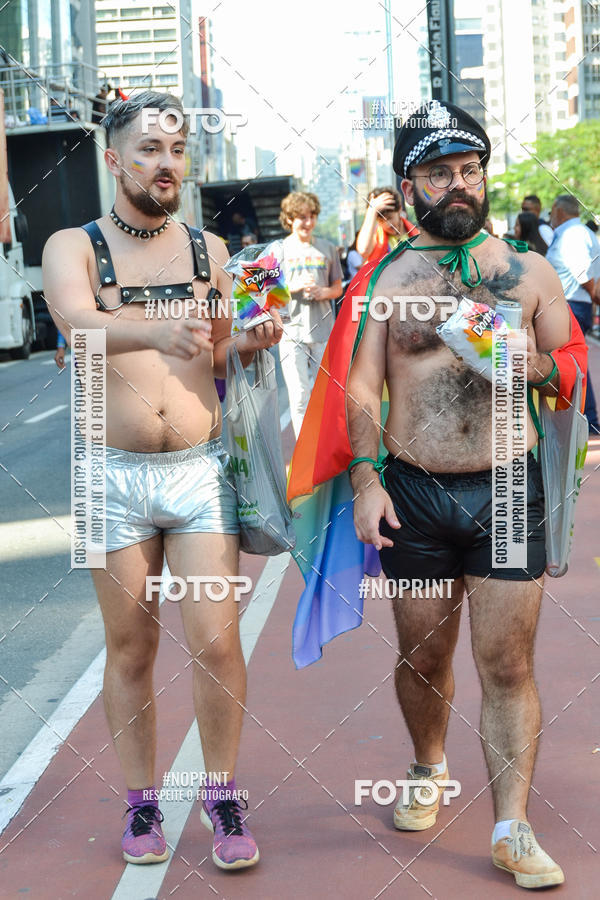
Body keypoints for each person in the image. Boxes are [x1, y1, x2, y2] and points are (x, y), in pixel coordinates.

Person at [42, 90, 283, 871]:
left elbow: (210, 358)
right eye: (148, 149)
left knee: (216, 642)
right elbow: (77, 325)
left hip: (198, 471)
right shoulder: (70, 246)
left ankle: (222, 795)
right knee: (131, 647)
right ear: (114, 159)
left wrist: (248, 339)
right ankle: (142, 805)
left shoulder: (211, 251)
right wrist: (158, 326)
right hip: (106, 476)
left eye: (177, 150)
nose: (165, 163)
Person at [348, 101, 570, 889]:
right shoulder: (383, 279)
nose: (459, 186)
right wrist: (367, 480)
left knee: (507, 663)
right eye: (439, 172)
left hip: (507, 488)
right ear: (409, 186)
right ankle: (427, 764)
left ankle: (512, 826)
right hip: (412, 493)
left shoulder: (528, 272)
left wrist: (530, 363)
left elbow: (572, 369)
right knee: (423, 653)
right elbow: (363, 385)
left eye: (470, 170)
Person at [279, 191, 342, 438]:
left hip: (323, 328)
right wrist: (292, 288)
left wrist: (322, 291)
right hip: (290, 331)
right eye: (301, 217)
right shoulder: (280, 250)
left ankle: (325, 445)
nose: (308, 222)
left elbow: (338, 288)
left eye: (312, 216)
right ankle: (304, 450)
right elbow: (269, 295)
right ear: (290, 219)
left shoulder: (327, 248)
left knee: (325, 394)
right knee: (299, 396)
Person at [546, 194, 600, 435]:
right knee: (577, 364)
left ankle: (586, 420)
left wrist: (595, 296)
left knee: (573, 364)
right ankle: (586, 420)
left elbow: (581, 271)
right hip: (574, 303)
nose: (549, 217)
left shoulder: (573, 234)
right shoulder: (573, 232)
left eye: (551, 212)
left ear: (559, 210)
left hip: (572, 304)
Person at [356, 186, 418, 265]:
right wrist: (372, 211)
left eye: (390, 218)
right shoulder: (375, 237)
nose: (388, 224)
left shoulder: (417, 234)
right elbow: (363, 250)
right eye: (381, 221)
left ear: (399, 209)